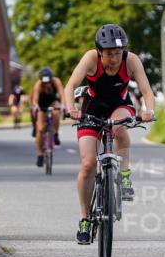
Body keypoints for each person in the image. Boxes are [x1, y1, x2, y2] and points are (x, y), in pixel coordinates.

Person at [63, 24, 156, 245]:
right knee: (88, 164)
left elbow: (146, 91)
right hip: (92, 108)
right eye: (109, 54)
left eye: (117, 53)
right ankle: (85, 219)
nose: (114, 59)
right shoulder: (90, 58)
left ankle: (124, 175)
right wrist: (71, 109)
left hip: (119, 105)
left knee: (119, 128)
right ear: (99, 51)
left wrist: (149, 111)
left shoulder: (131, 60)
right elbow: (70, 86)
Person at [30, 67, 65, 167]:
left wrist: (63, 105)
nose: (47, 84)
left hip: (53, 102)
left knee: (56, 112)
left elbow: (62, 95)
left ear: (51, 79)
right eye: (44, 82)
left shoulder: (56, 81)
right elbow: (35, 100)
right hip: (41, 104)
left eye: (48, 82)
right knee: (40, 130)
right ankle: (40, 155)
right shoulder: (38, 85)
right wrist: (36, 106)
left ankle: (55, 133)